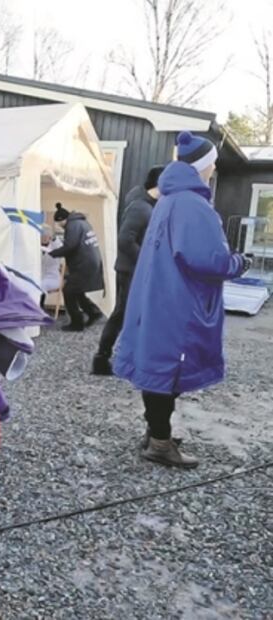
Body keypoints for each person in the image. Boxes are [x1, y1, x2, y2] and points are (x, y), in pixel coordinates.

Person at [114, 132, 251, 468]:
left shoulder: (169, 200)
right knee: (167, 370)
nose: (214, 168)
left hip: (159, 298)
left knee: (158, 365)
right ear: (202, 167)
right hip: (178, 304)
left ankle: (155, 433)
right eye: (212, 163)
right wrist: (239, 262)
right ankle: (159, 442)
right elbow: (208, 259)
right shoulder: (192, 204)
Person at [92, 165, 165, 375]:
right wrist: (146, 261)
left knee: (132, 315)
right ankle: (101, 359)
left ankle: (125, 357)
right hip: (130, 271)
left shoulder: (149, 205)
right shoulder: (140, 207)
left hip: (135, 270)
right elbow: (125, 240)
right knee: (122, 314)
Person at [47, 203, 104, 331]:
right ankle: (94, 313)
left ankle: (77, 323)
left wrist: (53, 253)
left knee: (69, 291)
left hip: (83, 264)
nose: (59, 226)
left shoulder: (72, 225)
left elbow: (70, 245)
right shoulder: (82, 222)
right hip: (90, 262)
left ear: (63, 219)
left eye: (58, 222)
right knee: (77, 291)